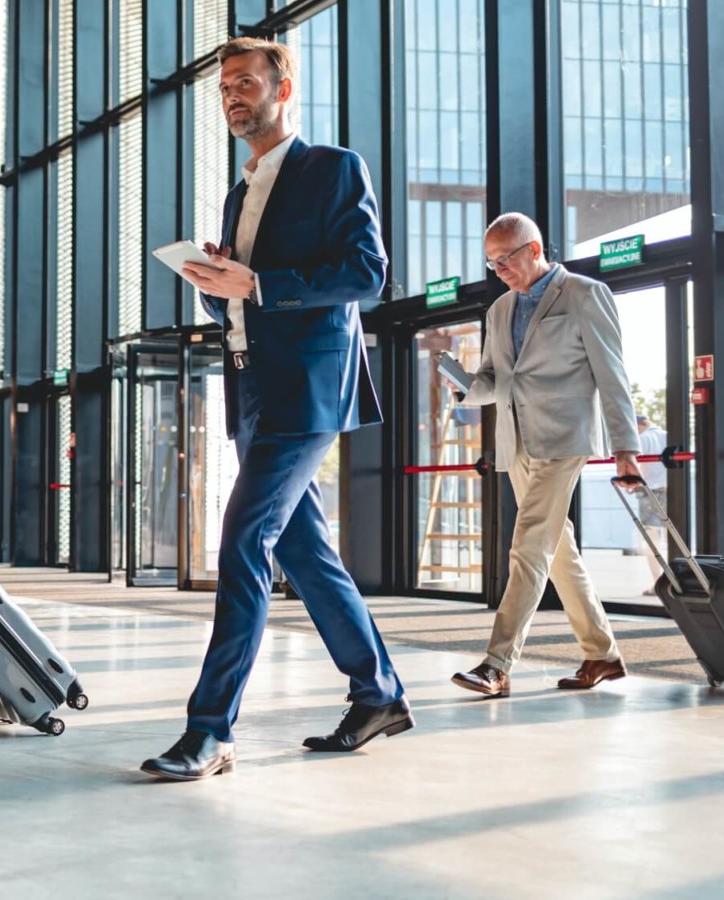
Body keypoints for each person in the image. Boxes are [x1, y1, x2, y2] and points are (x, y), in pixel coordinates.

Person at [140, 37, 409, 782]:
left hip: (308, 389)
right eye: (224, 85)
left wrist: (256, 284)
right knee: (303, 553)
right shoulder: (239, 191)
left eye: (246, 82)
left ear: (281, 90)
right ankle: (379, 693)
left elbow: (365, 272)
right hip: (253, 386)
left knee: (242, 543)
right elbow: (243, 294)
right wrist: (213, 278)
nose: (232, 94)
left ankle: (210, 731)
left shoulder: (333, 169)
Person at [448, 212, 640, 698]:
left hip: (564, 438)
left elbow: (611, 374)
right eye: (491, 264)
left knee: (529, 546)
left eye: (505, 259)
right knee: (558, 553)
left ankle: (497, 664)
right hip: (518, 443)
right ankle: (602, 653)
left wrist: (625, 448)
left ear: (534, 250)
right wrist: (464, 386)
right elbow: (496, 381)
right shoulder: (498, 311)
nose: (499, 271)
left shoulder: (582, 294)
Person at [634, 414, 670, 594]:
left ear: (638, 426)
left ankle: (658, 583)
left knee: (652, 540)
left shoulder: (642, 439)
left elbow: (637, 468)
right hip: (670, 490)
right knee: (669, 537)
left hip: (650, 493)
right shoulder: (668, 435)